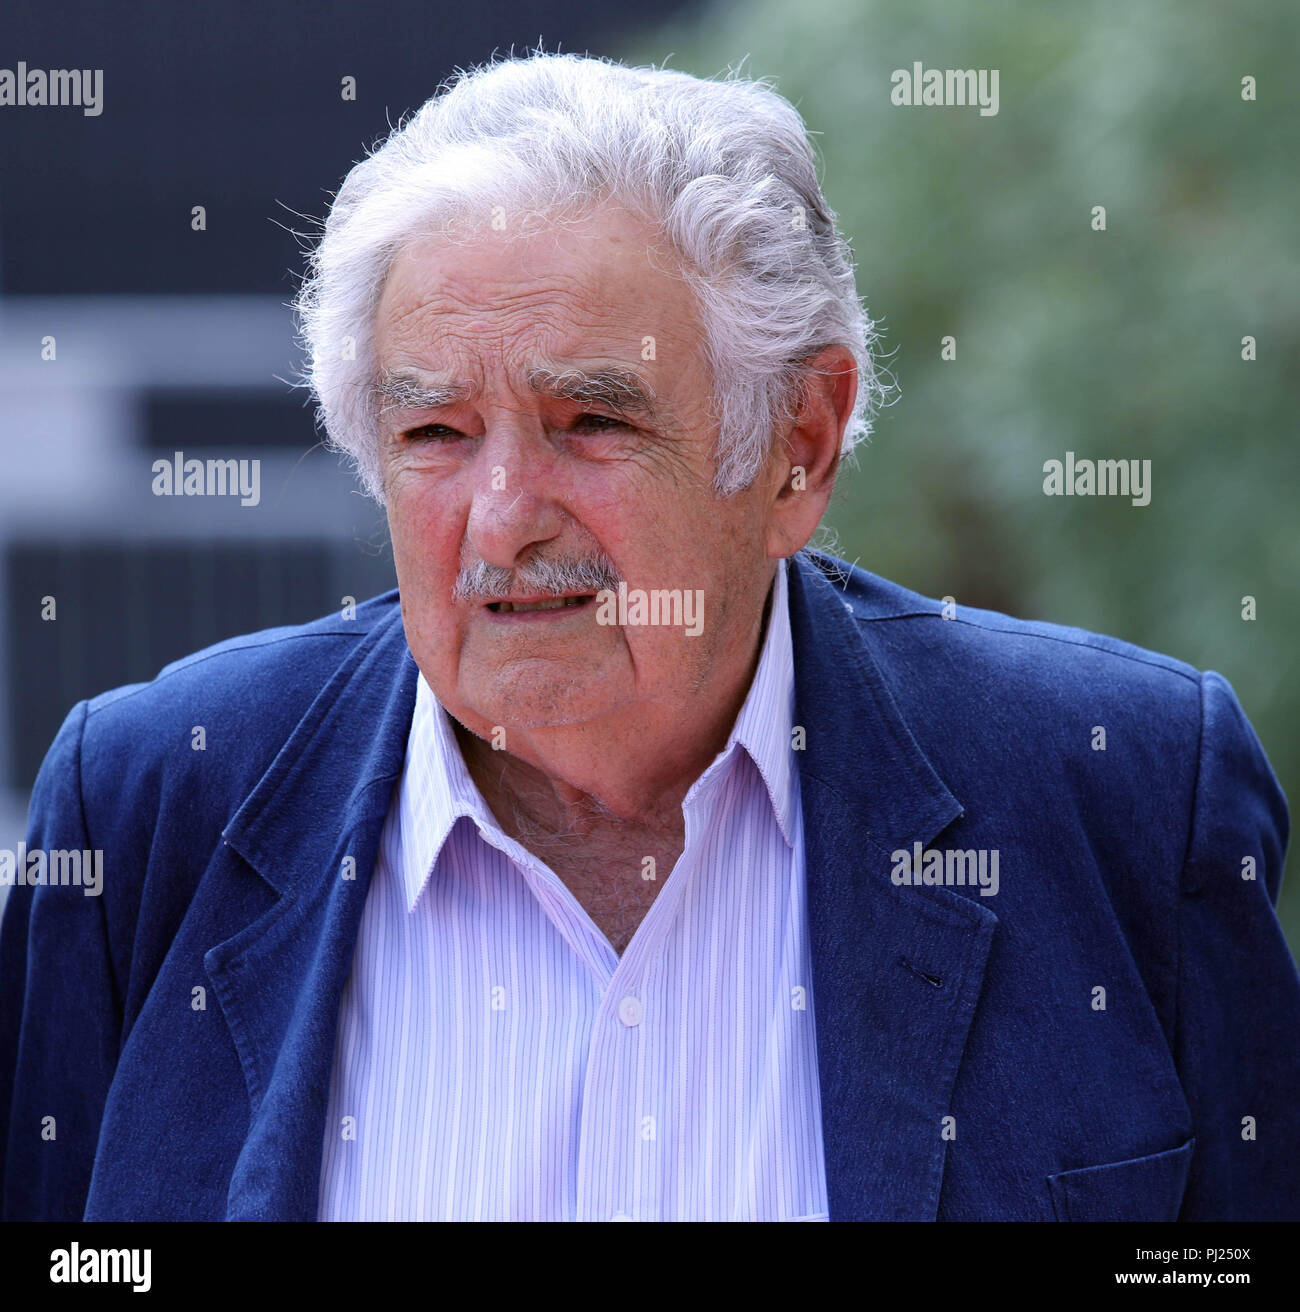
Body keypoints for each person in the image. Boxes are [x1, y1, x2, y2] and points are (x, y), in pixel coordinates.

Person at [2, 51, 1297, 1223]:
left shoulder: (1118, 788)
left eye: (593, 422)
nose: (503, 522)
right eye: (436, 434)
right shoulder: (151, 803)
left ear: (798, 445)